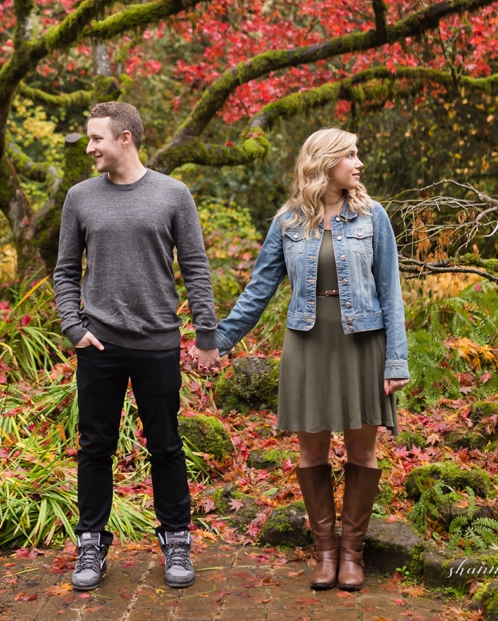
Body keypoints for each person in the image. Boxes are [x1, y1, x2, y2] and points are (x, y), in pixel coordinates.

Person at [214, 128, 410, 592]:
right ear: (325, 161)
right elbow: (260, 288)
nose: (359, 163)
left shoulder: (372, 215)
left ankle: (351, 554)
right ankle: (324, 553)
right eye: (350, 154)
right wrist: (219, 339)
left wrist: (395, 360)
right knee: (311, 450)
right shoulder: (287, 221)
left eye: (358, 154)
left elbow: (390, 290)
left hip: (363, 339)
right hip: (307, 340)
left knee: (363, 449)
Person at [53, 101, 219, 592]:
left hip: (158, 345)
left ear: (125, 138)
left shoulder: (172, 194)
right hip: (98, 345)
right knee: (94, 448)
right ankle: (91, 543)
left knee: (166, 447)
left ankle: (176, 540)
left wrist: (206, 336)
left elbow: (196, 267)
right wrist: (73, 327)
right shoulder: (80, 198)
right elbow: (65, 272)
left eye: (96, 139)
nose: (89, 148)